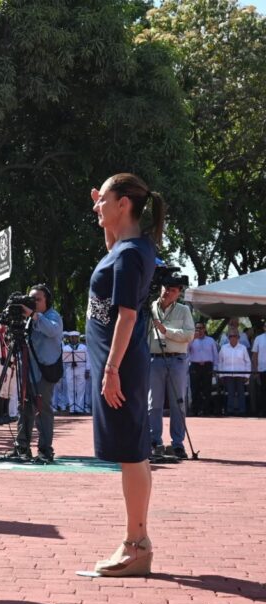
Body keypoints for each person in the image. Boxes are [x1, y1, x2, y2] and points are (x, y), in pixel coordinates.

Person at [85, 173, 161, 577]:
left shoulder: (131, 253)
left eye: (104, 201)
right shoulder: (128, 248)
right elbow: (111, 251)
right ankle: (137, 541)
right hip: (118, 361)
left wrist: (112, 368)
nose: (96, 206)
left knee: (131, 454)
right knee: (133, 452)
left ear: (125, 204)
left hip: (121, 363)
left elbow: (127, 315)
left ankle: (136, 544)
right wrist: (104, 214)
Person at [12, 285, 64, 463]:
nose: (33, 302)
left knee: (43, 411)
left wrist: (34, 316)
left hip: (43, 371)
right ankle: (22, 447)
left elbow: (52, 330)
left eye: (38, 299)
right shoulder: (27, 318)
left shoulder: (53, 316)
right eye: (31, 299)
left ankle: (45, 450)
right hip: (28, 368)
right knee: (24, 409)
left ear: (47, 301)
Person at [147, 281, 195, 459]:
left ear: (178, 293)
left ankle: (177, 444)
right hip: (154, 358)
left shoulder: (183, 310)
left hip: (177, 359)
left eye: (173, 290)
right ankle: (154, 442)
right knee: (153, 403)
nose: (168, 292)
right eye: (166, 288)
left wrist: (166, 330)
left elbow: (189, 335)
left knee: (178, 402)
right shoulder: (150, 307)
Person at [216, 331, 251, 415]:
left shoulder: (243, 348)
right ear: (228, 338)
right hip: (228, 375)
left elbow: (248, 362)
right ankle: (229, 411)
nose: (233, 338)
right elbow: (219, 361)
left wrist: (247, 375)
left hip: (240, 375)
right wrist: (221, 375)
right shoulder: (224, 348)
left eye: (235, 336)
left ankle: (242, 411)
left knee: (241, 394)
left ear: (238, 338)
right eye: (231, 336)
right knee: (230, 393)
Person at [187, 322, 218, 416]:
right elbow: (186, 351)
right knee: (194, 389)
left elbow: (215, 355)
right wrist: (192, 339)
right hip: (195, 366)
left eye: (200, 328)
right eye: (197, 328)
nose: (199, 330)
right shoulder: (191, 340)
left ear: (204, 329)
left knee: (207, 389)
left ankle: (206, 410)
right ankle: (195, 410)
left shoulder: (211, 340)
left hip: (207, 366)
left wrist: (215, 368)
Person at [252, 328, 266, 417]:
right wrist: (256, 369)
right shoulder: (259, 338)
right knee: (263, 391)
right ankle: (263, 411)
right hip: (262, 369)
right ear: (264, 328)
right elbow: (255, 355)